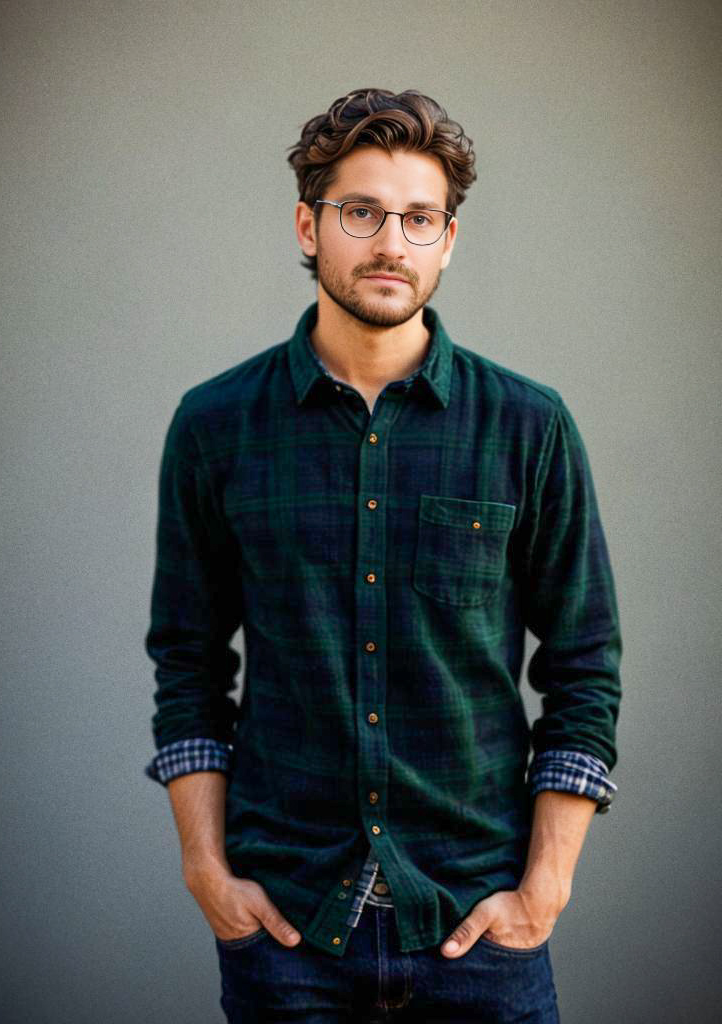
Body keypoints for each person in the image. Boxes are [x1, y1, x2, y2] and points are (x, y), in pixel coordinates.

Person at [143, 87, 622, 1022]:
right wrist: (206, 872)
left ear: (449, 238)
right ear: (309, 225)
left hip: (477, 926)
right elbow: (188, 666)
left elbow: (584, 667)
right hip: (287, 931)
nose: (390, 242)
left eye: (419, 217)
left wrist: (545, 892)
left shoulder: (529, 426)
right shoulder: (216, 426)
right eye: (361, 212)